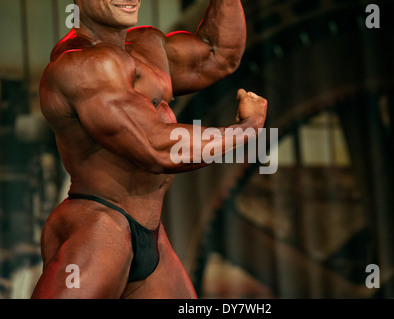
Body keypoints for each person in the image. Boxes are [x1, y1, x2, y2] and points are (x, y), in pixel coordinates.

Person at [31, 0, 267, 299]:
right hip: (100, 229)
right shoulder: (82, 64)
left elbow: (219, 55)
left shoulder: (146, 45)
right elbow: (156, 147)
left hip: (151, 233)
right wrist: (247, 131)